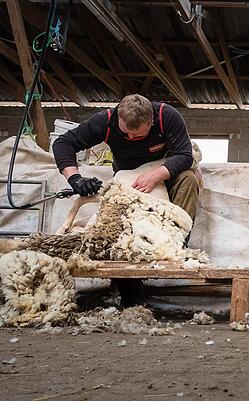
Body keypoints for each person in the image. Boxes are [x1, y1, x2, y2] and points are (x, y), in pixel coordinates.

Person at [52, 94, 199, 307]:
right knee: (123, 229)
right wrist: (75, 178)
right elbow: (64, 142)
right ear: (118, 119)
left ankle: (175, 244)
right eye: (125, 132)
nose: (130, 136)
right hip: (128, 176)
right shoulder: (106, 121)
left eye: (137, 133)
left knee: (189, 180)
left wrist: (155, 176)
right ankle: (130, 288)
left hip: (166, 172)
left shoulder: (167, 116)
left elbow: (185, 155)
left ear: (151, 122)